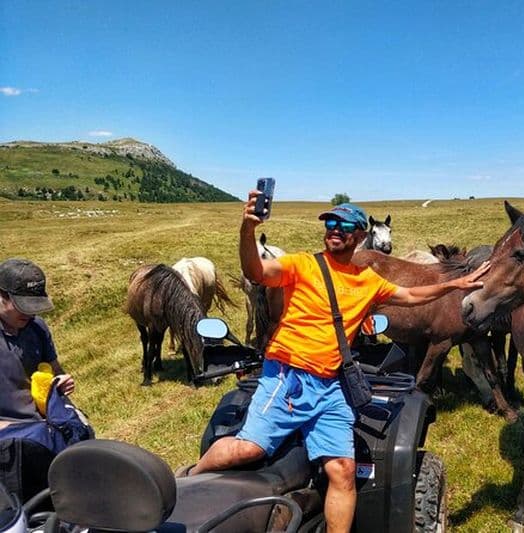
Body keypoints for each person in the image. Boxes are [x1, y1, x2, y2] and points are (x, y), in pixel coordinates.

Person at [190, 196, 490, 532]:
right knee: (246, 449)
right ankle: (187, 483)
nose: (334, 230)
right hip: (289, 377)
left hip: (330, 386)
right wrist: (248, 228)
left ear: (360, 235)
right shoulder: (303, 265)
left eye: (344, 225)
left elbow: (409, 297)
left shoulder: (367, 281)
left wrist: (454, 285)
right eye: (330, 224)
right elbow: (255, 271)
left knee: (344, 470)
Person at [0, 258, 75, 425]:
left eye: (35, 306)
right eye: (22, 305)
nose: (30, 313)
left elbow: (55, 369)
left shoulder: (37, 327)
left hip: (44, 422)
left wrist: (61, 381)